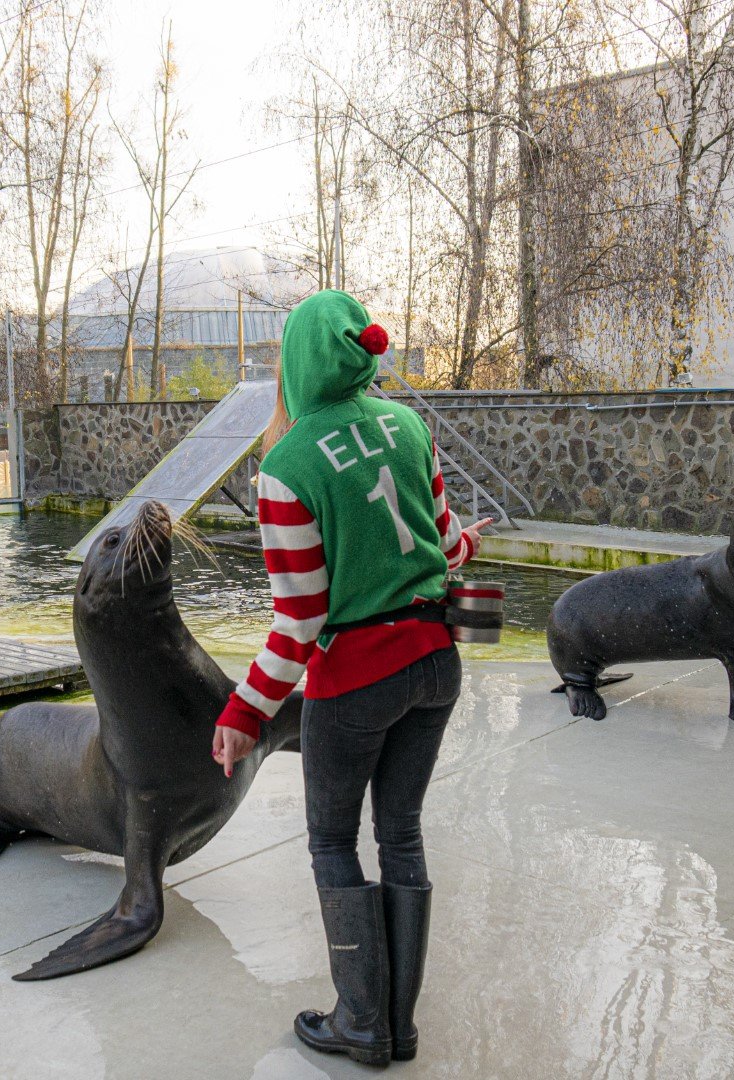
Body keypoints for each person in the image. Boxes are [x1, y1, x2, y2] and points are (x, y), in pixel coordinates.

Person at [211, 290, 489, 1066]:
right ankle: (395, 1027)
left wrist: (243, 712)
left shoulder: (287, 465)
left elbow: (300, 619)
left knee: (333, 842)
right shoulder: (407, 427)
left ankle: (359, 1022)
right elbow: (436, 545)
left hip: (358, 678)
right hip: (438, 660)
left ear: (298, 361)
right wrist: (462, 543)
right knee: (399, 831)